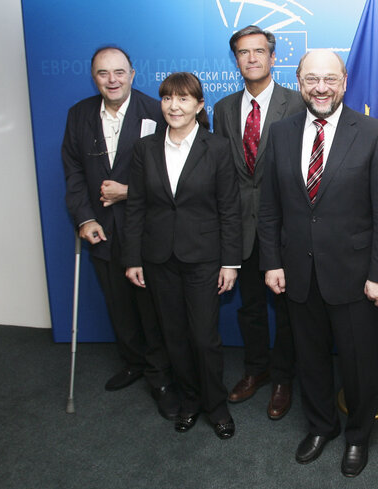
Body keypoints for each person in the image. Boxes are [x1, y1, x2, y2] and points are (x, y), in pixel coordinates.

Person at [258, 49, 378, 477]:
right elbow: (269, 209)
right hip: (298, 273)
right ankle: (321, 426)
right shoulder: (281, 133)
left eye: (330, 79)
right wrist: (271, 262)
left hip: (357, 278)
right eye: (312, 79)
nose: (321, 88)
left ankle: (357, 437)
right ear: (299, 82)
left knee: (360, 364)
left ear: (344, 82)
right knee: (311, 359)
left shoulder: (374, 133)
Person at [123, 72, 242, 439]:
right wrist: (132, 258)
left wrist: (230, 262)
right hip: (159, 258)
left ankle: (216, 405)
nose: (174, 106)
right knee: (174, 336)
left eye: (184, 99)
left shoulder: (218, 148)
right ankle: (190, 400)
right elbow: (136, 209)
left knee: (204, 337)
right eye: (167, 98)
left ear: (199, 105)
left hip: (204, 258)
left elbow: (229, 210)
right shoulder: (145, 149)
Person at [62, 46, 177, 419]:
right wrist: (84, 218)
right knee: (118, 303)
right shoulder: (79, 115)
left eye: (119, 72)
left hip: (147, 229)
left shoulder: (156, 111)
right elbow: (74, 172)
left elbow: (177, 173)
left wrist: (128, 191)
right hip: (102, 229)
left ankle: (161, 375)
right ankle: (133, 362)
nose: (112, 80)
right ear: (93, 76)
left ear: (133, 72)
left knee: (152, 307)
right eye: (103, 73)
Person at [213, 25, 305, 420]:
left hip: (286, 229)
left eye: (258, 51)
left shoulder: (298, 103)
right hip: (241, 229)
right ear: (236, 60)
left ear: (272, 57)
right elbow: (222, 174)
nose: (250, 58)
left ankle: (283, 377)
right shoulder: (222, 108)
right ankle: (256, 370)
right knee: (249, 308)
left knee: (286, 311)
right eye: (242, 52)